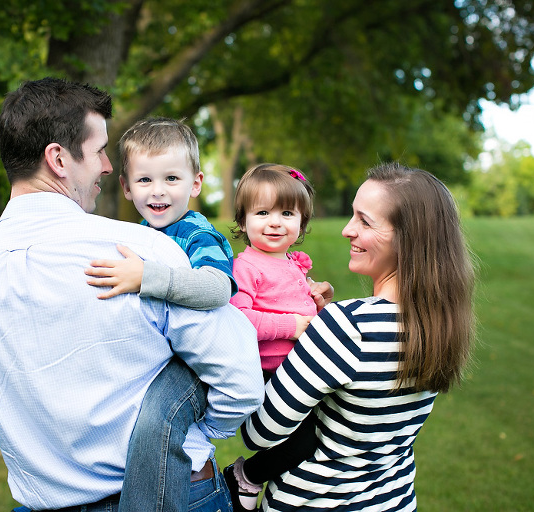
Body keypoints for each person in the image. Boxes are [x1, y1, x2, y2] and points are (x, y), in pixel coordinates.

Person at [0, 77, 264, 512]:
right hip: (176, 496)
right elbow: (239, 380)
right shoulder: (139, 254)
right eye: (99, 151)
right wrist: (194, 438)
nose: (108, 167)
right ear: (58, 159)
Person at [240, 162, 476, 511]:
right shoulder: (438, 324)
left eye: (365, 221)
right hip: (393, 500)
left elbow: (259, 432)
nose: (347, 230)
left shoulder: (348, 327)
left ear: (407, 238)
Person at [83, 116, 239, 511]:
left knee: (159, 423)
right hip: (163, 356)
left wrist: (146, 277)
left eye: (171, 178)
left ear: (196, 183)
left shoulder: (196, 234)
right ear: (126, 186)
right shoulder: (141, 234)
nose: (158, 191)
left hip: (200, 361)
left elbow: (217, 288)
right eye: (145, 180)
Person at [220, 164, 334, 511]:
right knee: (303, 444)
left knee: (325, 435)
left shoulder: (291, 264)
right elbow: (240, 319)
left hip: (301, 370)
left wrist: (317, 299)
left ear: (301, 222)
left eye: (287, 213)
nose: (275, 222)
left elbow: (297, 306)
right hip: (270, 374)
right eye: (263, 213)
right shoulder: (246, 267)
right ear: (243, 221)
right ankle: (246, 476)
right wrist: (293, 326)